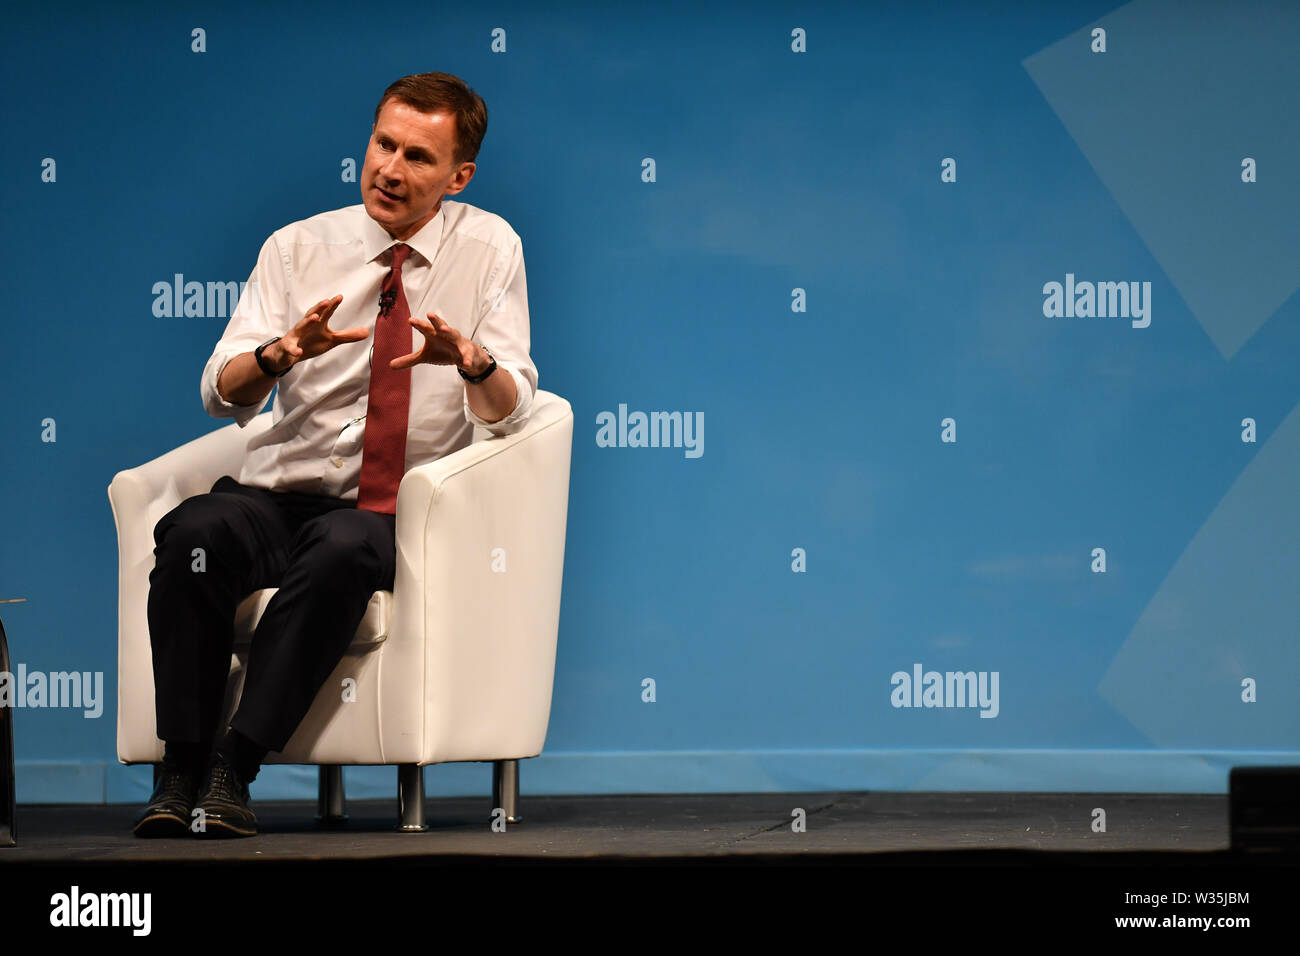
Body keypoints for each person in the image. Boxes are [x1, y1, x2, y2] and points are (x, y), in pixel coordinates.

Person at [133, 72, 538, 838]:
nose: (390, 169)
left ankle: (233, 768)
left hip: (386, 511)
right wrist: (281, 352)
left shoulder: (490, 249)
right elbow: (222, 394)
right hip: (278, 495)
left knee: (346, 547)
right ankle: (179, 768)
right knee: (192, 535)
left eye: (419, 157)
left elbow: (511, 410)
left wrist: (472, 364)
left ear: (459, 176)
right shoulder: (297, 247)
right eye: (384, 144)